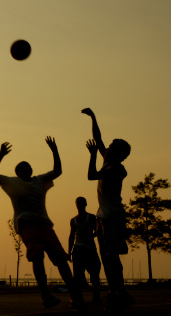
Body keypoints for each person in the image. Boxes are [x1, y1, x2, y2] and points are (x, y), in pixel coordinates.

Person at [0, 137, 83, 310]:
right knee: (37, 257)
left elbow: (58, 171)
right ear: (18, 173)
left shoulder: (39, 180)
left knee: (61, 259)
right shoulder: (12, 183)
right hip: (27, 226)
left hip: (45, 226)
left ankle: (75, 295)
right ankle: (45, 295)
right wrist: (0, 155)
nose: (28, 170)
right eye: (23, 169)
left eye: (29, 167)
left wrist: (54, 150)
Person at [82, 108, 134, 311]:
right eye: (109, 146)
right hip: (103, 217)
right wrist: (93, 117)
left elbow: (91, 175)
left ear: (120, 154)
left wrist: (92, 155)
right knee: (106, 257)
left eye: (111, 147)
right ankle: (114, 291)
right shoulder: (108, 162)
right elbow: (98, 137)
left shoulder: (117, 169)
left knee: (111, 255)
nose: (108, 147)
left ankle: (120, 291)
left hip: (113, 217)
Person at [68, 196, 101, 303]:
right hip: (78, 249)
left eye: (81, 203)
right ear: (76, 205)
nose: (79, 205)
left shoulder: (91, 217)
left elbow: (97, 230)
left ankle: (96, 296)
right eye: (78, 203)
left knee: (95, 273)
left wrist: (92, 236)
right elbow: (71, 236)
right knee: (78, 275)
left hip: (89, 249)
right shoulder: (73, 220)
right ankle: (78, 297)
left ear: (85, 204)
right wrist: (69, 252)